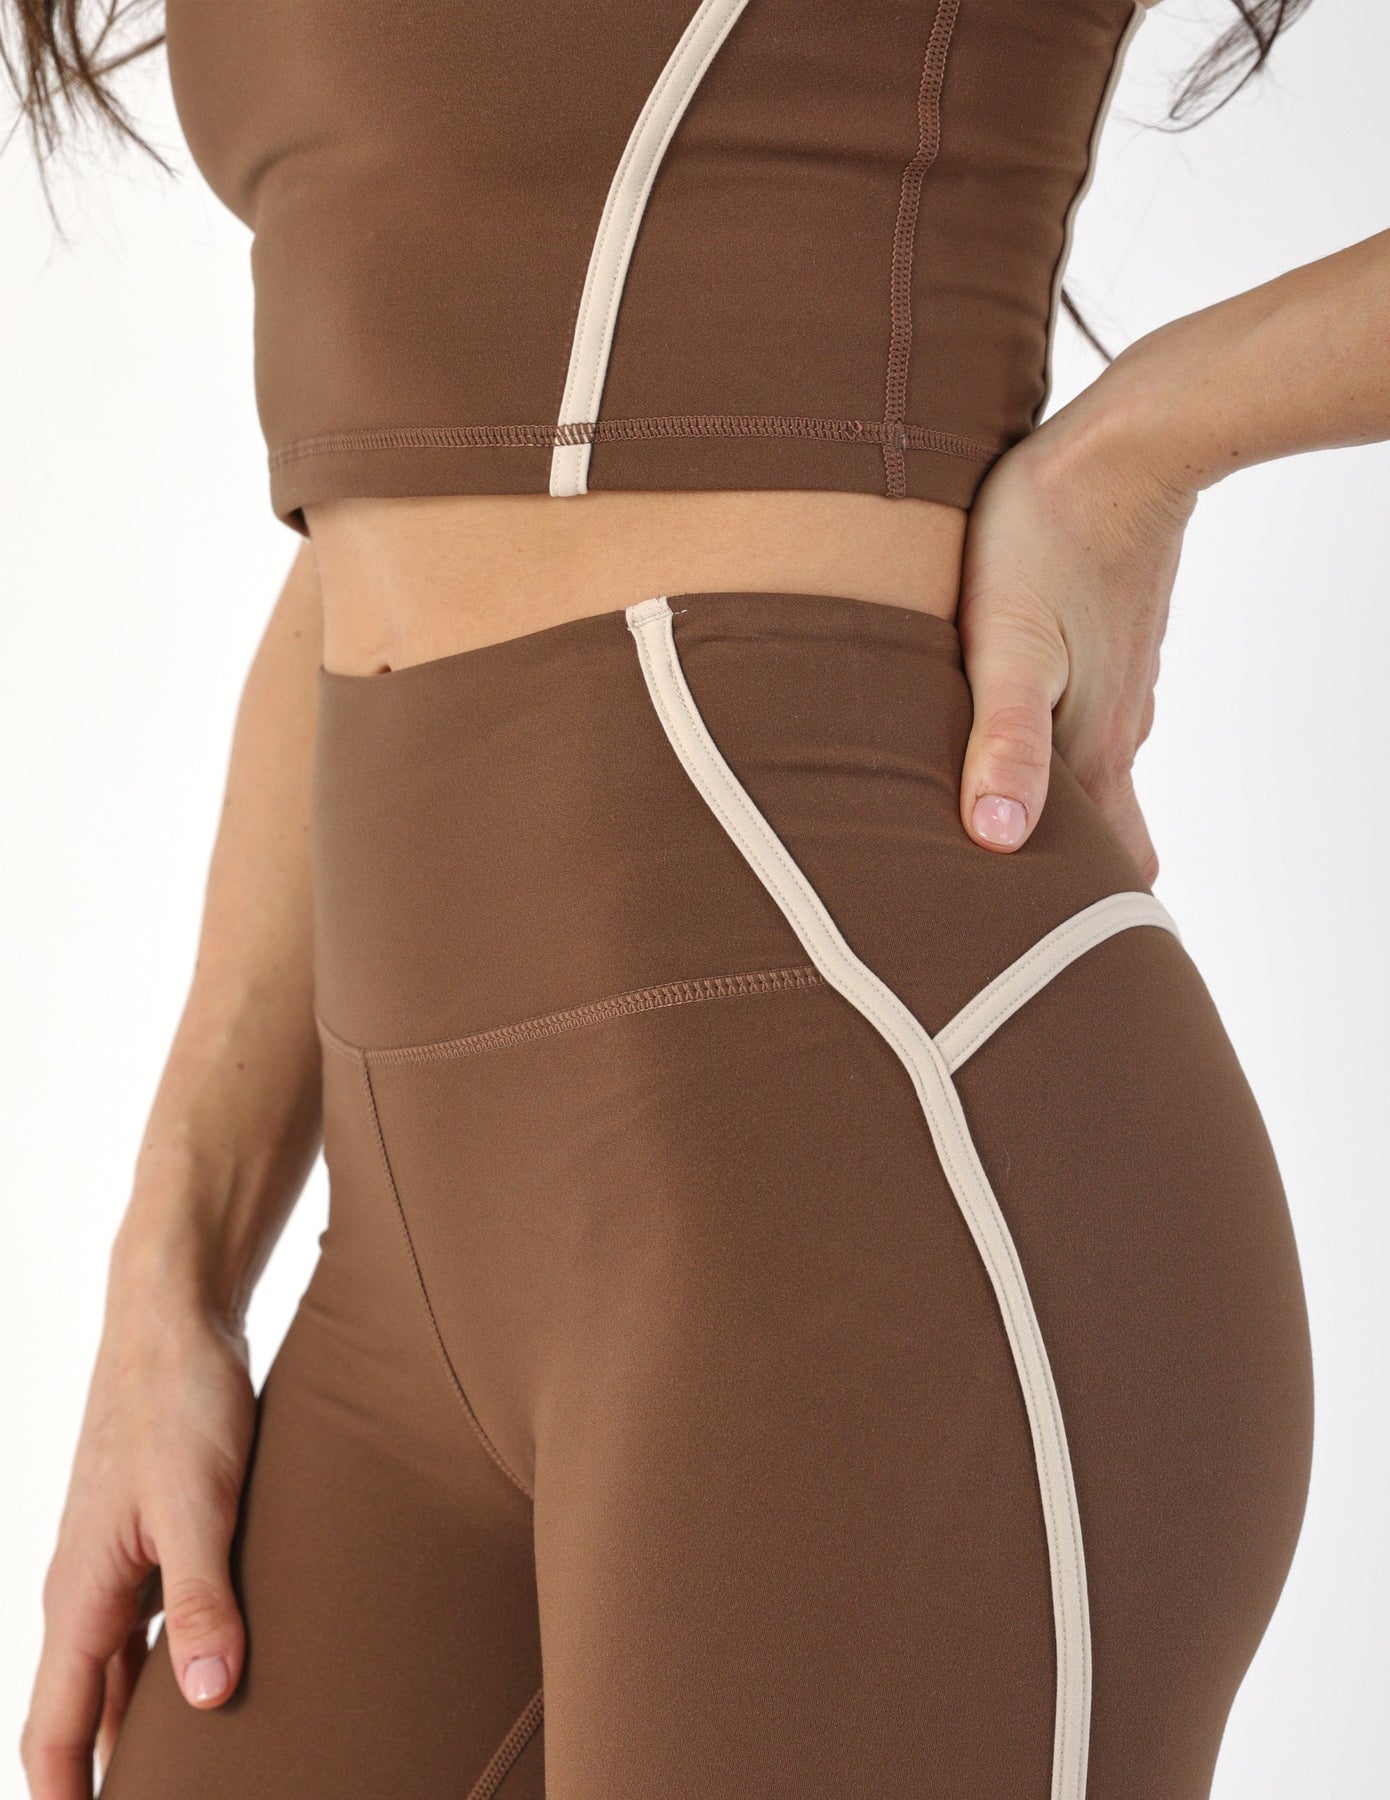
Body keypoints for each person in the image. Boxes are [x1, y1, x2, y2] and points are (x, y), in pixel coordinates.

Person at [10, 1, 1384, 1796]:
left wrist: (1145, 439)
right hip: (402, 1279)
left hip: (860, 1146)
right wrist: (171, 1268)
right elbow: (392, 522)